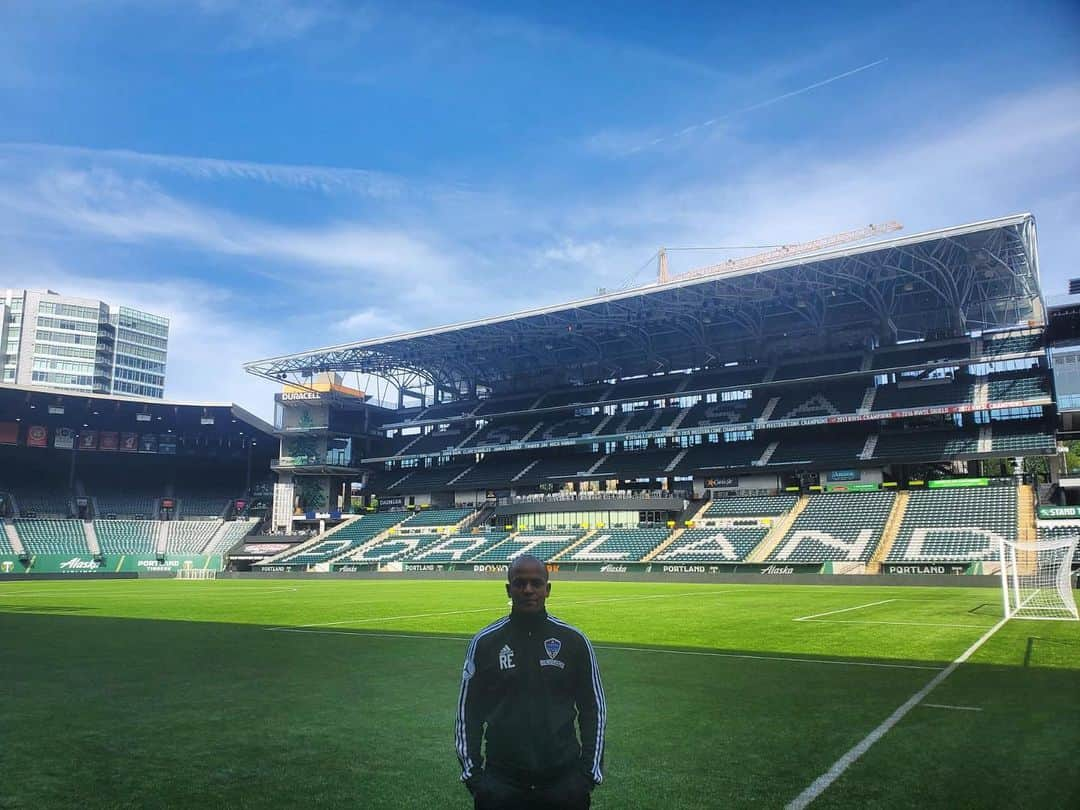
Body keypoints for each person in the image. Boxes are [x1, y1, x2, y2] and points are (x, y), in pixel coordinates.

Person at [456, 554, 606, 809]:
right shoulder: (485, 642)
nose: (528, 590)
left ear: (547, 590)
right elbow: (467, 712)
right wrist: (475, 778)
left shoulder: (574, 641)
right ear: (508, 589)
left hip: (564, 783)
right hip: (501, 784)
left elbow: (594, 709)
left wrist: (587, 775)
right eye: (520, 583)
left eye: (536, 583)